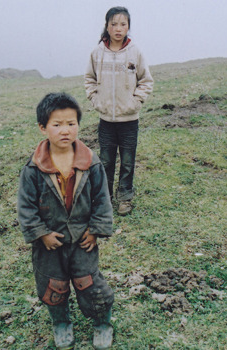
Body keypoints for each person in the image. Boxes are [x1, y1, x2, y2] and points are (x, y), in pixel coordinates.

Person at [17, 92, 115, 350]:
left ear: (79, 125)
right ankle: (61, 323)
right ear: (43, 127)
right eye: (57, 124)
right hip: (50, 243)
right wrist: (40, 233)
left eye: (71, 124)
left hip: (83, 240)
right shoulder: (33, 169)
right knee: (53, 287)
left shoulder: (91, 163)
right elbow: (25, 207)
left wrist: (95, 230)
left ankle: (102, 323)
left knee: (90, 284)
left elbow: (102, 199)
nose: (65, 131)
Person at [85, 6, 154, 216]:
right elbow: (89, 79)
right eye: (114, 24)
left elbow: (146, 81)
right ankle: (105, 199)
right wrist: (96, 100)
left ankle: (125, 197)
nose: (118, 28)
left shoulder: (135, 52)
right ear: (107, 26)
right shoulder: (97, 53)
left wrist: (135, 102)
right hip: (106, 120)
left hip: (129, 121)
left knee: (127, 161)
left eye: (123, 24)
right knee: (105, 161)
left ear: (128, 27)